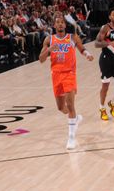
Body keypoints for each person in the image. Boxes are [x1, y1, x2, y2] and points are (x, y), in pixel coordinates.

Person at [39, 13, 94, 149]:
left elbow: (82, 49)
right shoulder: (49, 39)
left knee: (70, 106)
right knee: (61, 108)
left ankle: (71, 138)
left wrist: (87, 55)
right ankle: (75, 119)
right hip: (56, 75)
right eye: (57, 22)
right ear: (54, 25)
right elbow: (41, 59)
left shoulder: (72, 37)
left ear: (65, 24)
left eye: (62, 22)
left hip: (69, 73)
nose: (60, 24)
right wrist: (49, 50)